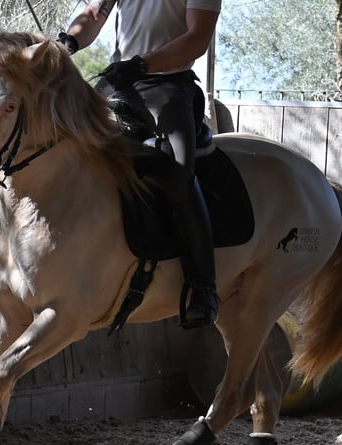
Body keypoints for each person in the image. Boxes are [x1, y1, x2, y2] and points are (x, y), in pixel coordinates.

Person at [58, 0, 221, 330]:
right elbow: (94, 14)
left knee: (178, 174)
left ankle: (203, 288)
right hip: (118, 84)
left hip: (169, 88)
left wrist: (143, 65)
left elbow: (197, 38)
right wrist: (68, 42)